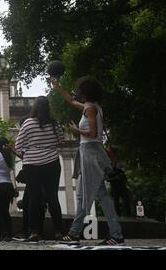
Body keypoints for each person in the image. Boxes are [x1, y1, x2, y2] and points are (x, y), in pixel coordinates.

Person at [52, 77, 125, 246]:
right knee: (95, 194)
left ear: (85, 93)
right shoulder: (91, 107)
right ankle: (114, 233)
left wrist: (76, 130)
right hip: (90, 151)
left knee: (87, 195)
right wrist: (58, 87)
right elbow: (70, 101)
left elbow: (92, 133)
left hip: (90, 151)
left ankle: (75, 232)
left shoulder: (90, 109)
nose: (78, 94)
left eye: (80, 92)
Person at [15, 96, 65, 242]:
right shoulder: (54, 124)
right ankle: (58, 231)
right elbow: (61, 141)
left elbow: (18, 146)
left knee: (34, 199)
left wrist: (31, 152)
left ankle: (34, 231)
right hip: (52, 164)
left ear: (35, 107)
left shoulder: (28, 123)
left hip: (32, 166)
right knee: (53, 198)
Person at [106, 145, 132, 217]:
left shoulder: (117, 163)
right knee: (116, 202)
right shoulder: (110, 165)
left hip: (122, 186)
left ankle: (128, 215)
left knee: (126, 199)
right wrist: (115, 178)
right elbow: (107, 178)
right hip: (115, 187)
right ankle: (117, 216)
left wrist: (123, 180)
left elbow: (123, 175)